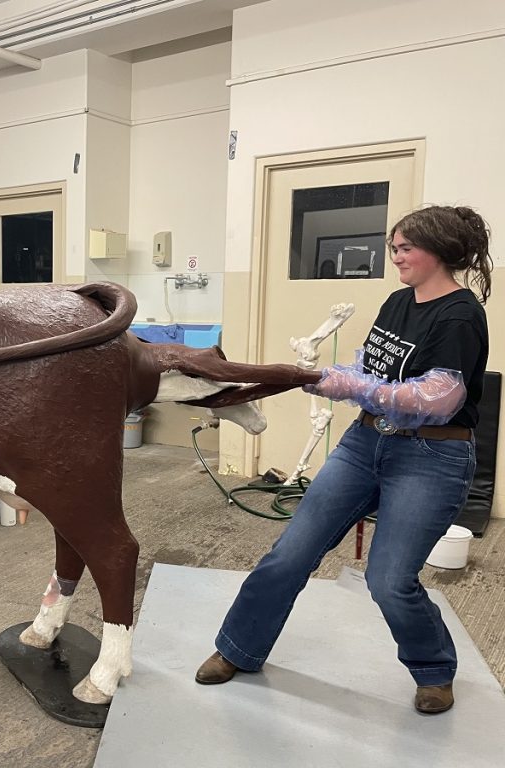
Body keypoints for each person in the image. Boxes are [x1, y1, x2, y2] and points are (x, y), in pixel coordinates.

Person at [196, 205, 492, 714]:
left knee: (389, 580)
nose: (394, 256)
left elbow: (437, 398)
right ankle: (238, 649)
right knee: (290, 553)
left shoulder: (461, 314)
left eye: (404, 248)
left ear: (438, 251)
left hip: (431, 455)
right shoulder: (399, 301)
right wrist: (341, 374)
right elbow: (371, 362)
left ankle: (434, 670)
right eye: (392, 246)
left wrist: (350, 385)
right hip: (364, 445)